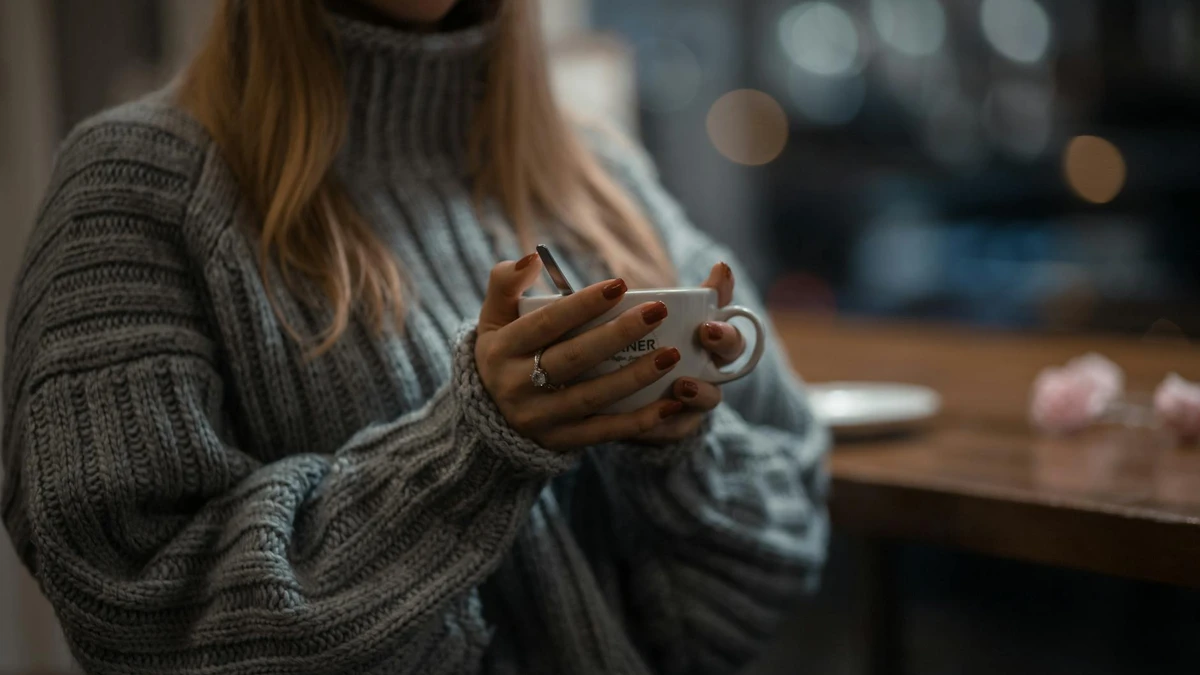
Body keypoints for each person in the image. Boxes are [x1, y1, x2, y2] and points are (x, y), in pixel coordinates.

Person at [1, 0, 829, 673]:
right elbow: (138, 617)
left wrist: (678, 451)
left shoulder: (602, 178)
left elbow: (781, 554)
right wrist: (472, 452)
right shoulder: (133, 187)